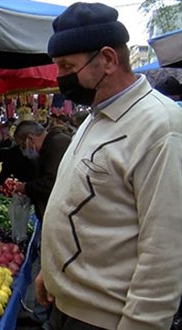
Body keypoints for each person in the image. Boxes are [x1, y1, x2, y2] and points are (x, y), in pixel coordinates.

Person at [36, 3, 182, 329]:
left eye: (67, 65)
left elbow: (165, 251)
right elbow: (85, 207)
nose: (60, 77)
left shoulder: (159, 126)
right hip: (67, 306)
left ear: (108, 59)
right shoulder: (96, 117)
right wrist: (53, 271)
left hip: (105, 319)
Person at [13, 120, 71, 222]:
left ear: (30, 138)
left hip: (64, 216)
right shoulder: (52, 144)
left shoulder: (57, 145)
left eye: (23, 146)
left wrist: (26, 187)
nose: (24, 151)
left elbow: (51, 183)